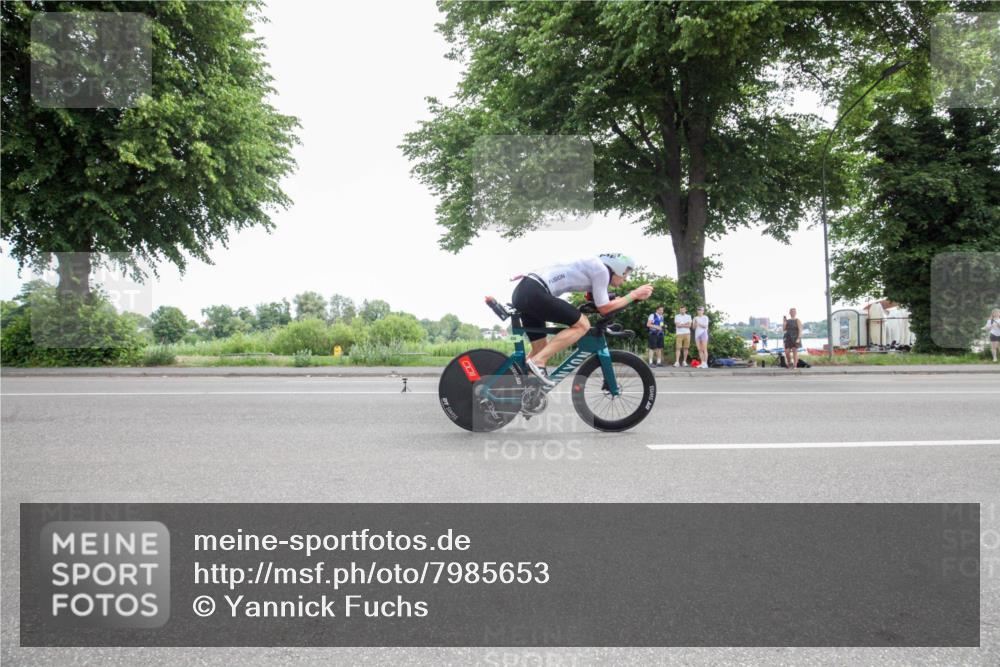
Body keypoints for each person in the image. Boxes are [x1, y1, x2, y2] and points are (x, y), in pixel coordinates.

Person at [510, 253, 653, 385]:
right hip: (534, 292)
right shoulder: (602, 271)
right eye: (626, 274)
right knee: (583, 325)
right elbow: (604, 308)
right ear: (619, 269)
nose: (625, 279)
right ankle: (538, 362)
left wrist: (626, 299)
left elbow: (600, 302)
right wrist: (634, 294)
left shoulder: (595, 267)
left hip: (525, 291)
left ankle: (522, 388)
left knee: (540, 349)